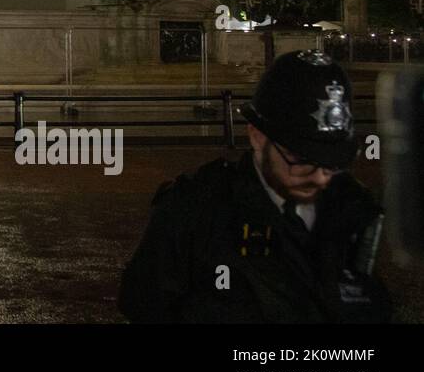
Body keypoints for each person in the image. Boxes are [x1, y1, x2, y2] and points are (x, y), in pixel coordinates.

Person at [118, 50, 392, 323]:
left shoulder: (352, 206)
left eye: (332, 162)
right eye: (301, 159)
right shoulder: (196, 207)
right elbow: (144, 304)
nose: (321, 178)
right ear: (257, 137)